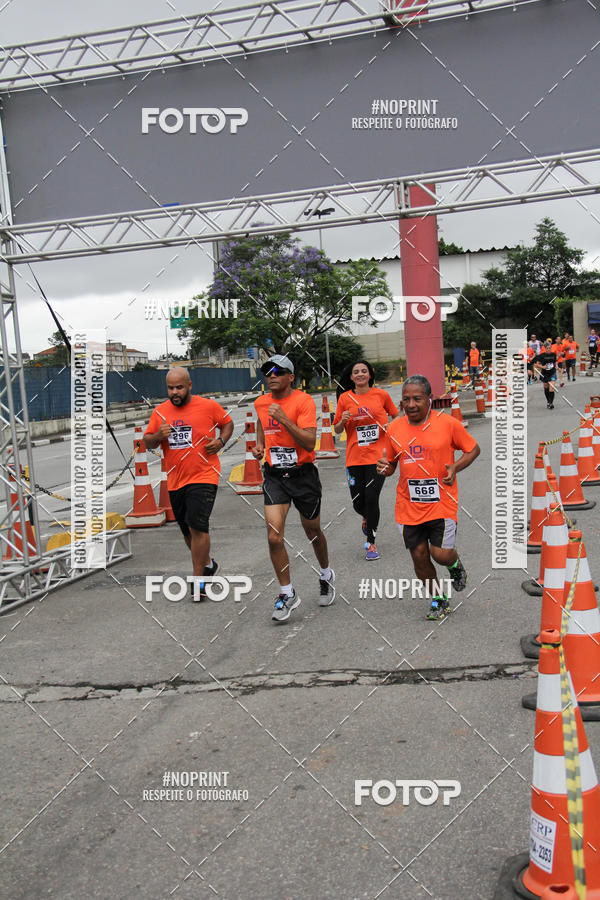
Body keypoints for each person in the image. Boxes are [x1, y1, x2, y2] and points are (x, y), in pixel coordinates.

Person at [376, 375, 480, 620]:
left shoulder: (447, 424)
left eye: (417, 399)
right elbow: (390, 465)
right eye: (406, 400)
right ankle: (438, 599)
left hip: (442, 501)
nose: (411, 404)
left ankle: (454, 566)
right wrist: (384, 468)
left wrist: (456, 467)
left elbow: (473, 449)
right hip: (408, 505)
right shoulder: (393, 429)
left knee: (441, 554)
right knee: (420, 556)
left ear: (430, 399)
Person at [252, 354, 335, 623]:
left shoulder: (303, 401)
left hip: (303, 475)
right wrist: (260, 445)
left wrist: (285, 419)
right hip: (275, 475)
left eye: (278, 371)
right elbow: (262, 426)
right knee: (274, 536)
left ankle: (326, 574)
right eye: (268, 371)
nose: (272, 375)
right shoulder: (261, 402)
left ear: (291, 377)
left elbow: (311, 443)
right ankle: (287, 593)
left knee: (312, 530)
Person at [144, 367, 234, 601]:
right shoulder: (160, 412)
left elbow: (227, 423)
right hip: (175, 479)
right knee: (186, 531)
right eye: (170, 388)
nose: (175, 392)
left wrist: (221, 441)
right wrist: (158, 437)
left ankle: (198, 582)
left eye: (179, 387)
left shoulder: (208, 406)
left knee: (197, 524)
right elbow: (148, 443)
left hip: (204, 475)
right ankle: (208, 564)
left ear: (190, 385)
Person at [333, 359, 398, 560]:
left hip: (378, 457)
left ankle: (371, 542)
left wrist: (390, 428)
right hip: (354, 458)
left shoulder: (381, 395)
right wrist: (342, 421)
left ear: (370, 375)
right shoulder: (344, 398)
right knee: (358, 502)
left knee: (372, 497)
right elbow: (336, 429)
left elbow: (396, 416)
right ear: (351, 377)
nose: (360, 374)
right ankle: (366, 517)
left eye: (364, 371)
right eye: (356, 372)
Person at [532, 339, 558, 407]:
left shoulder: (553, 354)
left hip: (552, 372)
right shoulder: (542, 356)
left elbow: (555, 362)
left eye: (550, 348)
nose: (549, 349)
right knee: (546, 387)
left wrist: (557, 366)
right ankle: (548, 401)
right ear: (545, 348)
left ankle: (551, 403)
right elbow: (536, 364)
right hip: (545, 374)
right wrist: (542, 367)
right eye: (547, 348)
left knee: (551, 388)